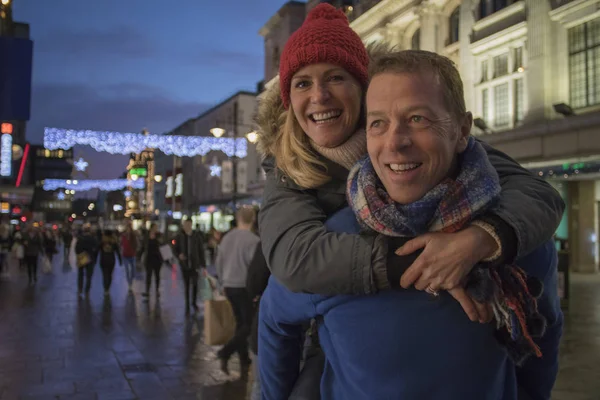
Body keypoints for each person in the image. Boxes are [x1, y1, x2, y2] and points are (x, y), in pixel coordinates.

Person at [259, 49, 563, 400]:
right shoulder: (331, 243)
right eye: (379, 123)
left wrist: (482, 240)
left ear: (463, 130)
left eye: (417, 119)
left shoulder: (513, 234)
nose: (395, 142)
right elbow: (275, 320)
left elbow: (544, 331)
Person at [256, 3, 564, 317]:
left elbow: (537, 194)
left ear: (363, 89)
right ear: (289, 99)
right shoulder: (285, 168)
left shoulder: (422, 140)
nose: (319, 96)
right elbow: (294, 258)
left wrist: (482, 238)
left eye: (336, 77)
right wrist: (430, 260)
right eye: (302, 83)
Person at [215, 206, 260, 375]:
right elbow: (254, 268)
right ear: (253, 219)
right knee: (248, 325)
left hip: (229, 285)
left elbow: (219, 262)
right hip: (244, 287)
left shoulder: (227, 238)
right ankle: (226, 351)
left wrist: (222, 284)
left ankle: (243, 357)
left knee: (240, 323)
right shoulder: (253, 240)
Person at [174, 219, 207, 315]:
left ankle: (194, 302)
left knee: (195, 284)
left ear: (191, 225)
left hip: (194, 264)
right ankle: (187, 304)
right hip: (185, 265)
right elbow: (175, 248)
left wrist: (203, 265)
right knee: (186, 285)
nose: (186, 226)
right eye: (185, 225)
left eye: (188, 224)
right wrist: (179, 255)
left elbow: (201, 251)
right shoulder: (180, 236)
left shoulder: (196, 236)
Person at [75, 224, 99, 296]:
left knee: (80, 274)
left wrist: (79, 254)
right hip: (90, 258)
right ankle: (87, 290)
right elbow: (96, 249)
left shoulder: (80, 238)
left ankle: (80, 289)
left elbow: (76, 249)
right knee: (89, 276)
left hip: (82, 257)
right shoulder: (93, 239)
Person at [142, 223, 163, 300]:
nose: (155, 229)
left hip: (157, 259)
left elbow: (163, 245)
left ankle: (157, 290)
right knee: (148, 275)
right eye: (154, 227)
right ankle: (147, 291)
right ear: (151, 228)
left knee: (157, 276)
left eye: (156, 228)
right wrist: (139, 255)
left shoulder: (159, 236)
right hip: (149, 259)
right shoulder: (147, 236)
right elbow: (143, 246)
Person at [99, 230, 122, 296]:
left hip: (103, 260)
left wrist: (94, 260)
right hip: (111, 260)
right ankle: (108, 288)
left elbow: (97, 249)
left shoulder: (102, 242)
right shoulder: (114, 242)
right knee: (110, 274)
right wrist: (120, 260)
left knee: (104, 275)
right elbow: (118, 252)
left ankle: (105, 288)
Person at [121, 221, 138, 291]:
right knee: (127, 270)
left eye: (129, 228)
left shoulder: (133, 236)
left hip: (132, 255)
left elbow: (136, 244)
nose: (128, 230)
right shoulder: (123, 236)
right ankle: (129, 284)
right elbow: (121, 244)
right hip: (125, 255)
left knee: (133, 270)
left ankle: (131, 280)